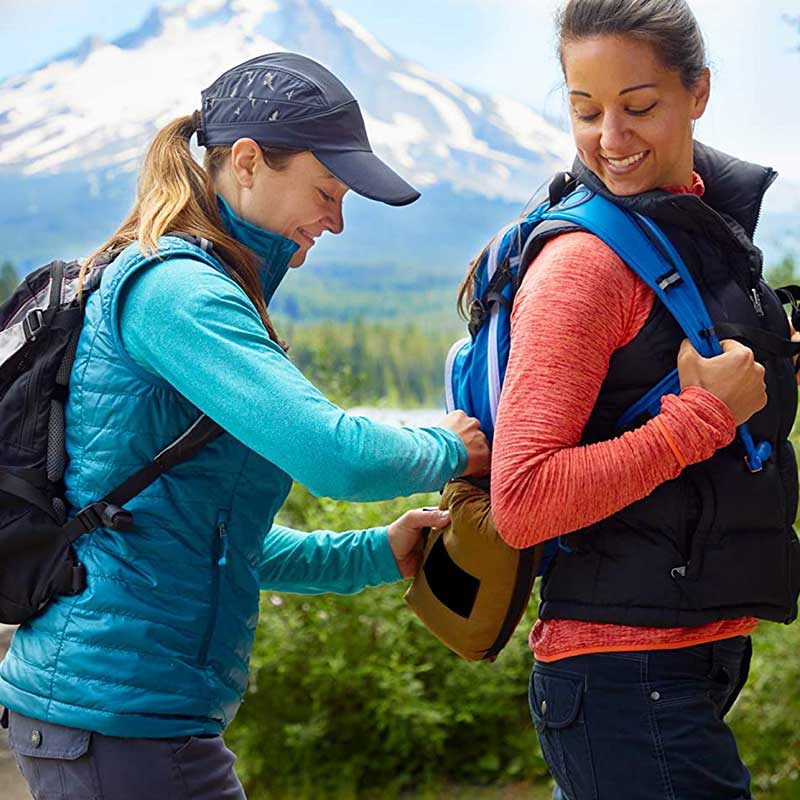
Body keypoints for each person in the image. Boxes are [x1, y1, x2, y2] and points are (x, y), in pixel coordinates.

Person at [0, 52, 489, 799]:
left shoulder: (200, 283)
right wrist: (452, 445)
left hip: (122, 721)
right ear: (249, 163)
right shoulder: (178, 292)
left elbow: (219, 542)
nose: (337, 219)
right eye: (327, 191)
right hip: (118, 723)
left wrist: (372, 554)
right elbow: (336, 458)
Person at [473, 2, 799, 798]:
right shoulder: (584, 264)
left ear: (700, 92)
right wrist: (702, 418)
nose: (610, 139)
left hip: (679, 655)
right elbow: (522, 500)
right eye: (585, 110)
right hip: (623, 672)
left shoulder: (698, 229)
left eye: (639, 106)